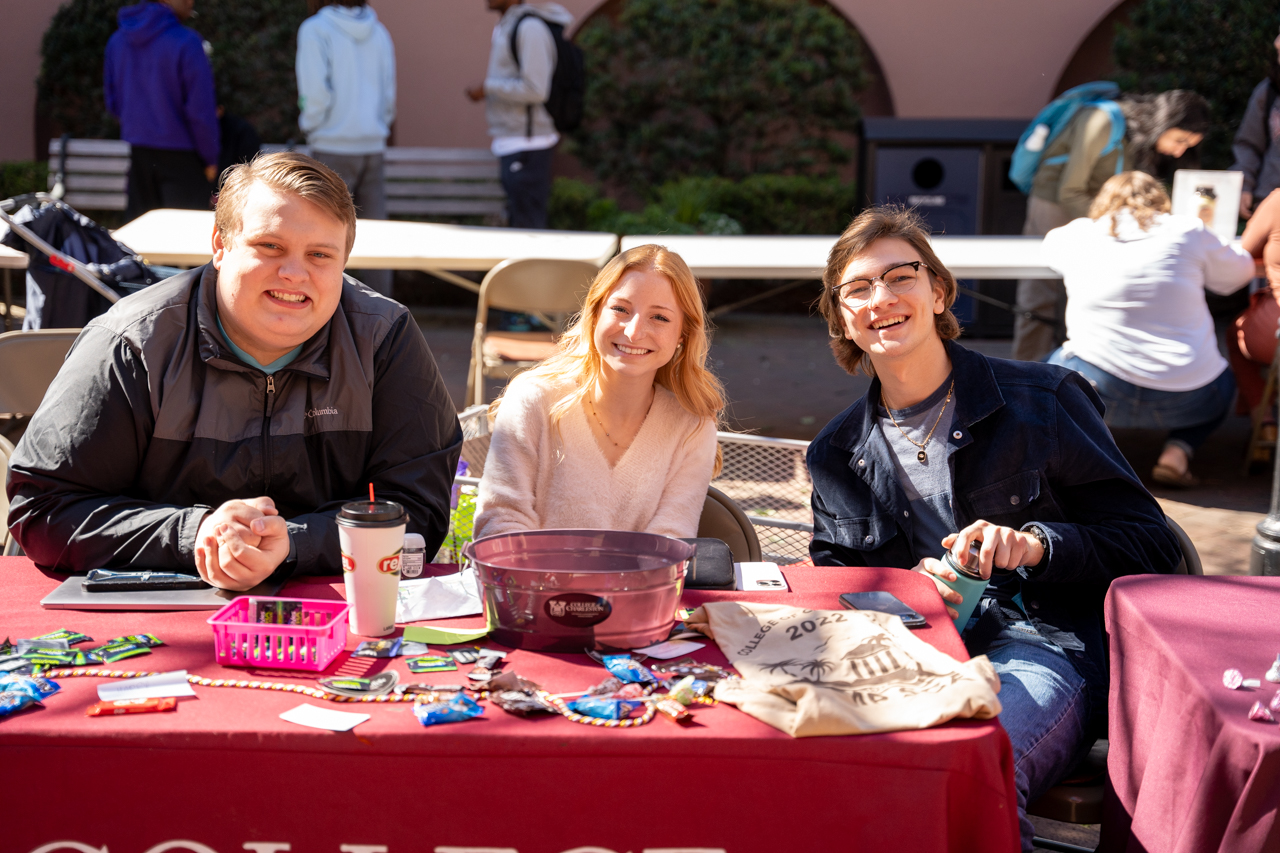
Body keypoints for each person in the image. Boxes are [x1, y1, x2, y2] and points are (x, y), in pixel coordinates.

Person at [806, 205, 1180, 852]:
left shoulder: (1046, 397)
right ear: (842, 317)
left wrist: (1037, 544)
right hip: (912, 655)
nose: (882, 298)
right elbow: (834, 583)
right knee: (829, 776)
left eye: (901, 277)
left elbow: (1152, 542)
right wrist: (901, 590)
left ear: (939, 290)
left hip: (1045, 642)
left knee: (972, 771)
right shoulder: (836, 450)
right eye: (858, 288)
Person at [6, 152, 462, 590]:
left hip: (336, 613)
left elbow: (417, 512)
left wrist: (293, 544)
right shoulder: (132, 343)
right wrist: (197, 533)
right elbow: (43, 509)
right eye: (270, 245)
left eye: (320, 255)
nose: (293, 273)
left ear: (344, 262)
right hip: (156, 614)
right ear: (220, 245)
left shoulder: (385, 338)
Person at [474, 244, 723, 539]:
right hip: (533, 585)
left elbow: (669, 543)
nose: (633, 332)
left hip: (639, 587)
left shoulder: (693, 427)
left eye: (660, 317)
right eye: (620, 309)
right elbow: (500, 522)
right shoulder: (532, 399)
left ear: (683, 334)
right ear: (594, 314)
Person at [1043, 172, 1254, 487]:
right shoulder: (1189, 230)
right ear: (1160, 200)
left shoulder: (1077, 234)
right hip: (1189, 396)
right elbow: (1239, 273)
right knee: (1222, 379)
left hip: (1100, 388)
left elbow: (1049, 253)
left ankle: (1095, 449)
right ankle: (1178, 452)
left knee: (1049, 372)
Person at [1012, 89, 1211, 362]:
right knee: (1040, 299)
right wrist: (1127, 224)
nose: (1179, 151)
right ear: (1164, 122)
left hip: (1098, 215)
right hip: (1055, 206)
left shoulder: (1137, 135)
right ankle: (1022, 381)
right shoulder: (1101, 120)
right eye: (1180, 140)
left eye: (1188, 146)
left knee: (1087, 295)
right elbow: (1069, 192)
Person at [296, 0, 396, 296]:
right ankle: (386, 320)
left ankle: (329, 316)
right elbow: (388, 96)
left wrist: (312, 125)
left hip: (331, 144)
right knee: (377, 240)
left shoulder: (315, 29)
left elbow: (315, 93)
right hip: (372, 147)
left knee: (325, 240)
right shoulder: (379, 32)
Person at [104, 0, 220, 222]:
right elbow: (200, 112)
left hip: (139, 155)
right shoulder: (187, 42)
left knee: (140, 246)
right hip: (184, 160)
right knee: (185, 245)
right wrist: (210, 158)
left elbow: (113, 103)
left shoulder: (117, 41)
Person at [466, 0, 574, 229]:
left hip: (528, 144)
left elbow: (536, 89)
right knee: (520, 226)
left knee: (529, 230)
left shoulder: (529, 28)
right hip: (514, 141)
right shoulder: (507, 25)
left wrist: (488, 87)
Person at [1229, 188, 1280, 435]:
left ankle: (1264, 420)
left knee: (1235, 333)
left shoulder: (1277, 201)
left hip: (1273, 330)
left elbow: (1242, 252)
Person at [1231, 27, 1280, 220]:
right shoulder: (1269, 92)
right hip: (1267, 206)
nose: (1277, 41)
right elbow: (1248, 144)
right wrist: (1243, 184)